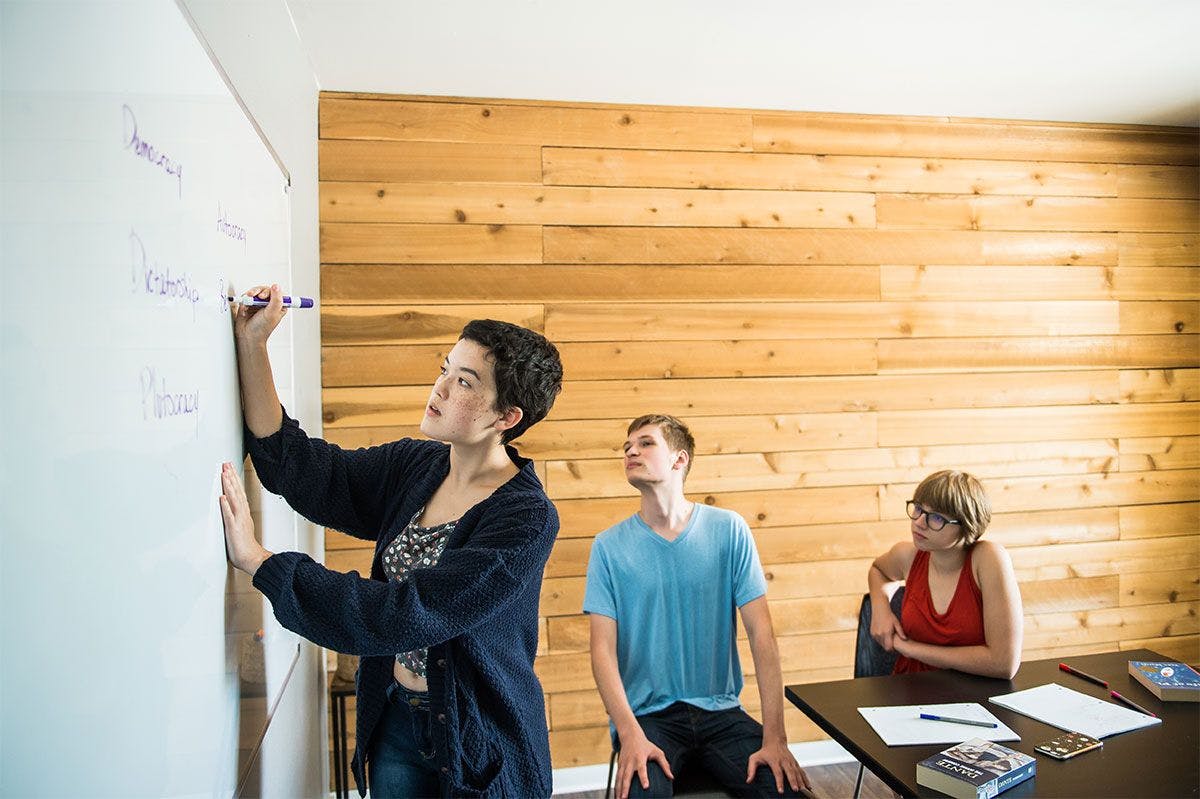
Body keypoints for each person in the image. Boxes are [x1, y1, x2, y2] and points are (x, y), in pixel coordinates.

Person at [218, 285, 563, 798]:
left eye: (464, 382)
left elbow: (405, 613)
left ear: (506, 417)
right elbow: (306, 470)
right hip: (395, 717)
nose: (441, 388)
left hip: (479, 737)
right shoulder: (416, 465)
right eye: (445, 368)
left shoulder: (526, 518)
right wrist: (253, 344)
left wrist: (262, 562)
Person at [584, 414, 812, 799]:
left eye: (645, 443)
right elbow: (601, 650)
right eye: (626, 447)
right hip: (647, 720)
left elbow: (762, 636)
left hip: (722, 714)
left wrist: (776, 738)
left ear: (679, 459)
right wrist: (629, 733)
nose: (631, 451)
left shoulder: (729, 529)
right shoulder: (608, 547)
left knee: (788, 793)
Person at [867, 470, 1023, 679]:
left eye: (937, 518)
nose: (919, 522)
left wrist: (911, 649)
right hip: (910, 688)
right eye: (919, 508)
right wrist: (880, 610)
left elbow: (1003, 664)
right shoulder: (908, 555)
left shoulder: (988, 558)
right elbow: (878, 571)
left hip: (975, 696)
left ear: (967, 526)